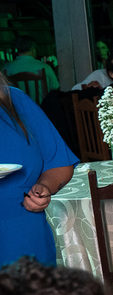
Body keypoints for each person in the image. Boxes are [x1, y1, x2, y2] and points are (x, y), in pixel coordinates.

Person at [0, 73, 78, 266]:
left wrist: (43, 186)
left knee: (32, 294)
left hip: (24, 233)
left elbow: (59, 163)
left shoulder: (15, 100)